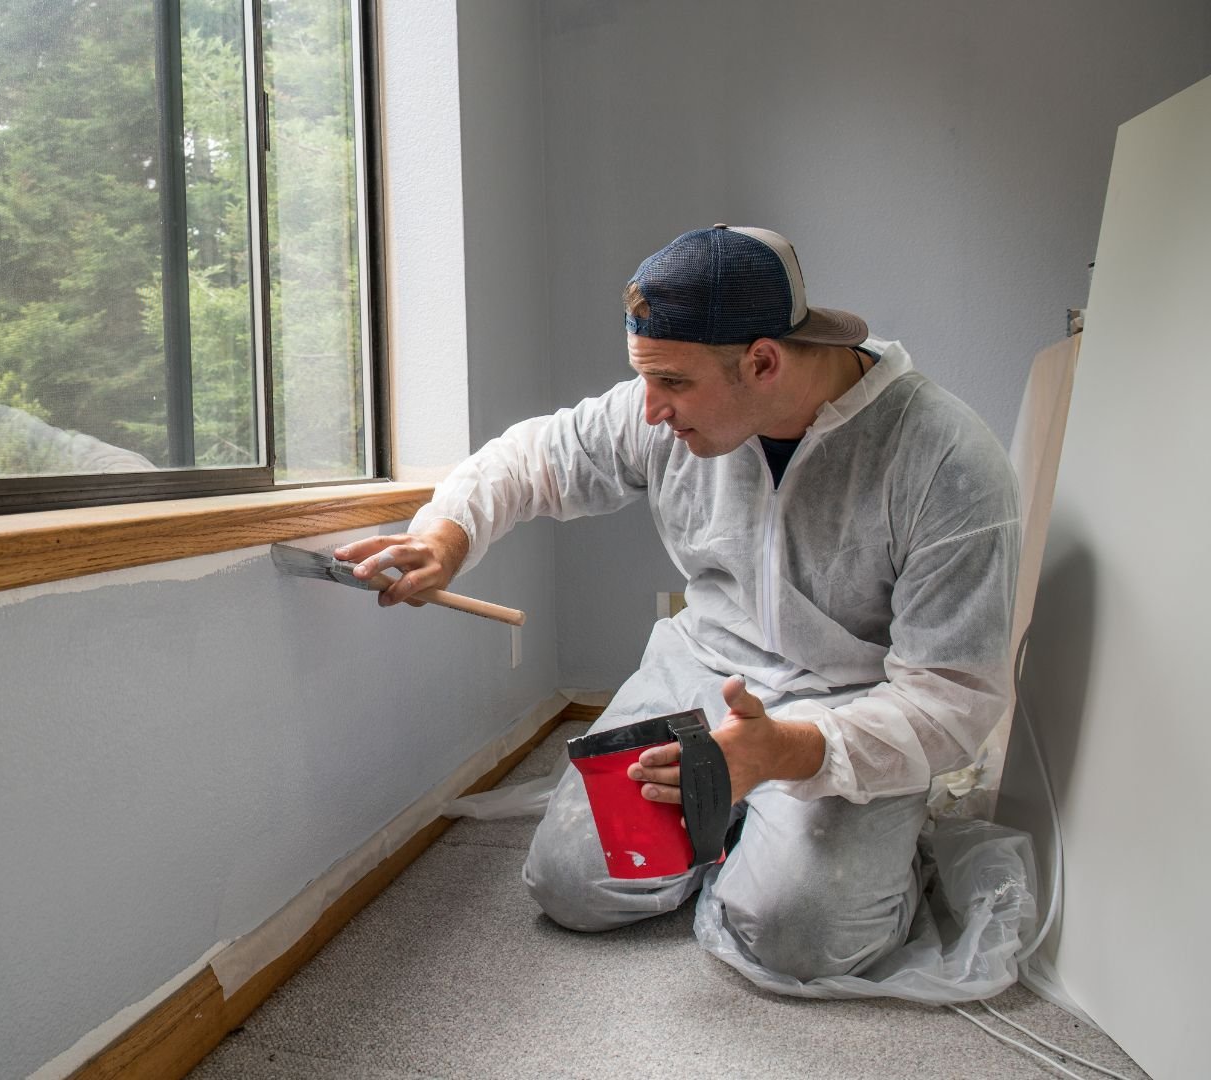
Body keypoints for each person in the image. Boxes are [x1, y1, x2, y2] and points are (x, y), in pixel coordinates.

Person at [335, 225, 1020, 983]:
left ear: (761, 361)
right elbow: (531, 459)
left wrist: (784, 755)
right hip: (705, 671)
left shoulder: (946, 458)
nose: (651, 408)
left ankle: (836, 837)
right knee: (572, 885)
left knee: (800, 940)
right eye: (645, 379)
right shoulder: (658, 408)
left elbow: (955, 696)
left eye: (673, 383)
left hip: (849, 707)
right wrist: (445, 538)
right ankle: (739, 821)